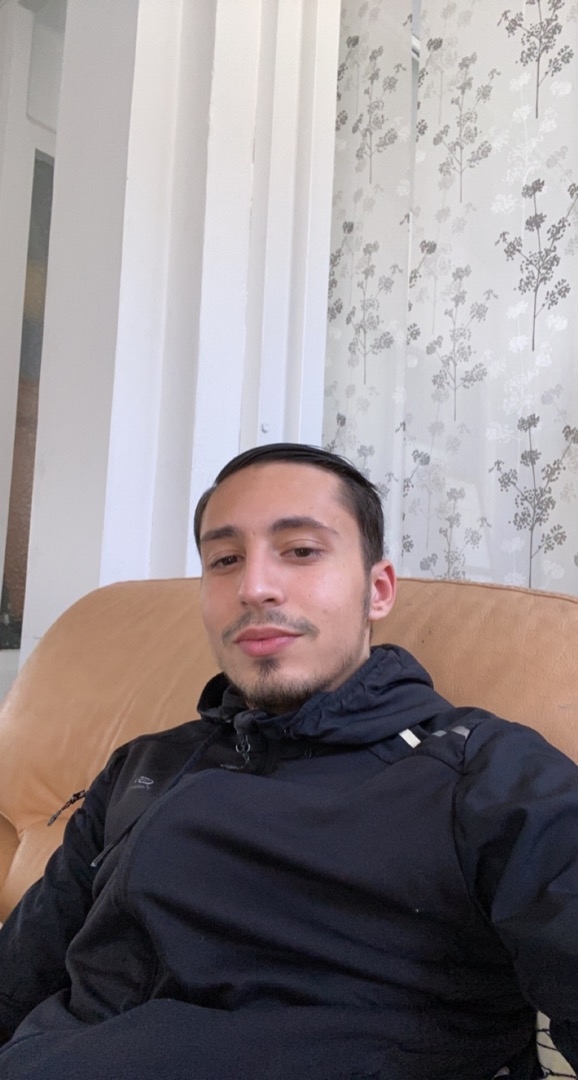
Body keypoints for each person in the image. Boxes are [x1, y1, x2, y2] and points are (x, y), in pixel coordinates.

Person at [0, 442, 577, 1080]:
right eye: (224, 560)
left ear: (377, 589)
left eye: (301, 550)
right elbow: (19, 973)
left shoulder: (482, 771)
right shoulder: (144, 766)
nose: (254, 587)